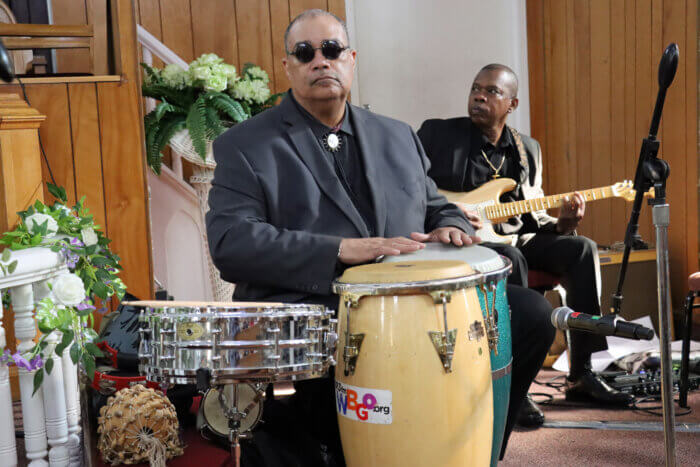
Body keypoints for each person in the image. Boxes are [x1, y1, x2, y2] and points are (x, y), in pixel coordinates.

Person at [207, 12, 552, 465]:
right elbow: (231, 241)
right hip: (317, 308)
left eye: (332, 50)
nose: (320, 61)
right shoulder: (246, 144)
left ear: (351, 59)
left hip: (414, 298)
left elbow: (436, 204)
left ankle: (477, 452)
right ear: (287, 66)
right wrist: (339, 251)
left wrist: (452, 224)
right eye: (305, 53)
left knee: (530, 313)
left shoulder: (398, 135)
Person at [417, 64, 633, 427]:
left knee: (581, 248)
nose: (479, 96)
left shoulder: (526, 149)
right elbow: (411, 188)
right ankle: (516, 380)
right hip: (462, 242)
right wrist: (446, 212)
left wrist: (565, 223)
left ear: (512, 103)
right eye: (475, 88)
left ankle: (582, 372)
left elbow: (533, 216)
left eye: (491, 91)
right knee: (511, 257)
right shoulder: (438, 135)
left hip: (514, 237)